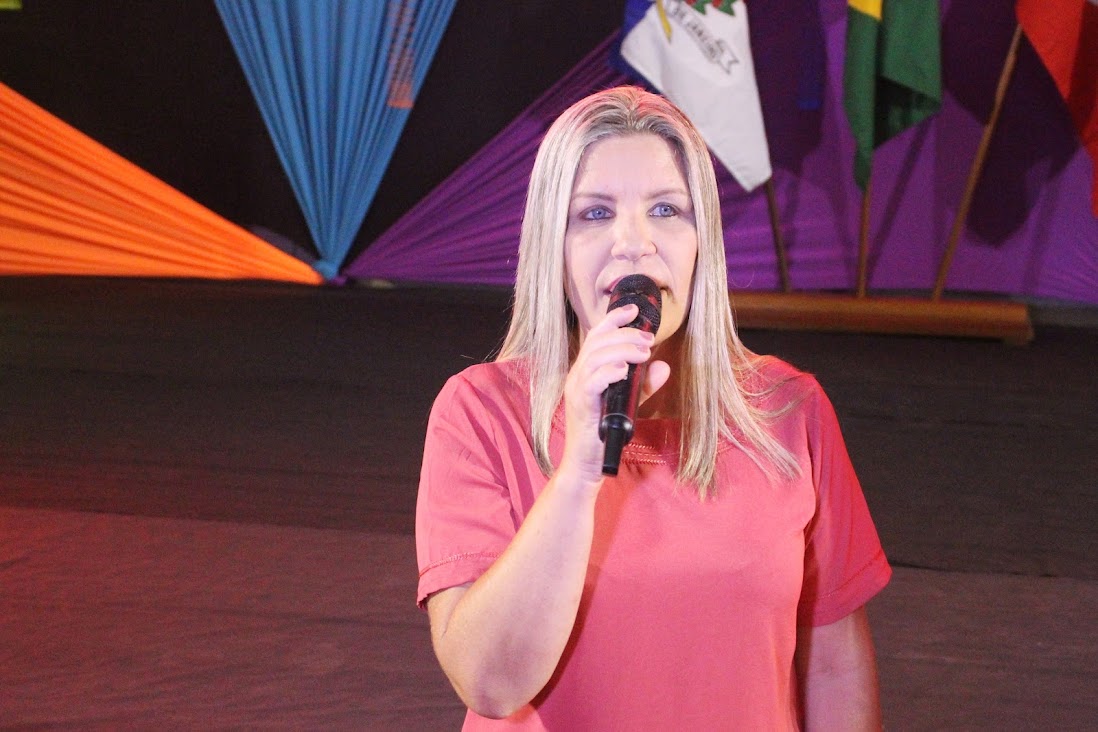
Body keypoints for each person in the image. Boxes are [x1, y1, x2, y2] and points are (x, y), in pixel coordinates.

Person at [415, 85, 891, 730]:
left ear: (703, 243)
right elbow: (491, 684)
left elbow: (833, 668)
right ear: (552, 247)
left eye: (666, 209)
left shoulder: (788, 411)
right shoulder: (481, 412)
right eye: (594, 214)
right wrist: (579, 471)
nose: (632, 243)